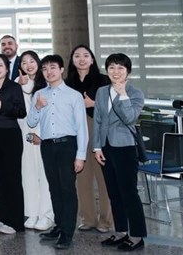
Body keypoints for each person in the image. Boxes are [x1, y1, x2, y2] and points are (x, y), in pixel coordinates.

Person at [27, 54, 88, 250]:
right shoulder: (38, 94)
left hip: (66, 145)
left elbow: (82, 128)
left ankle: (67, 233)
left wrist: (80, 156)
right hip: (47, 146)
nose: (49, 72)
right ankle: (59, 226)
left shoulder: (73, 95)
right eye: (45, 69)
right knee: (54, 188)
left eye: (53, 67)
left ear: (61, 69)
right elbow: (30, 122)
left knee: (67, 190)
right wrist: (37, 107)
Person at [93, 53, 147, 252]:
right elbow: (98, 120)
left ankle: (137, 235)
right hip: (106, 147)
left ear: (128, 72)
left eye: (120, 68)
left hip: (125, 148)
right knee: (113, 193)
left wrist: (122, 94)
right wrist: (97, 147)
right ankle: (121, 231)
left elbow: (129, 118)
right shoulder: (101, 92)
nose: (115, 72)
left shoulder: (135, 93)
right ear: (107, 70)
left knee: (129, 193)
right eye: (112, 67)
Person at [66, 44, 113, 233]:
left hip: (97, 128)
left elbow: (112, 107)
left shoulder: (103, 80)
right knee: (82, 177)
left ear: (92, 60)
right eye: (77, 56)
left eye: (86, 55)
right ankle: (88, 218)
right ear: (72, 60)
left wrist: (92, 104)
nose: (81, 59)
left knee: (103, 178)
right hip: (76, 131)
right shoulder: (68, 83)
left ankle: (106, 221)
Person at [0, 54, 26, 234]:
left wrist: (3, 107)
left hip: (10, 135)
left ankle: (15, 222)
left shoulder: (14, 87)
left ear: (7, 68)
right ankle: (2, 216)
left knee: (12, 178)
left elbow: (21, 112)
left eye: (0, 65)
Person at [15, 50, 53, 231]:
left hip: (41, 133)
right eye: (24, 62)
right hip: (23, 134)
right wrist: (19, 86)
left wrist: (42, 136)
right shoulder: (17, 83)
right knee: (28, 174)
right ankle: (32, 212)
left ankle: (47, 215)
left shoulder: (46, 84)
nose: (28, 65)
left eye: (31, 61)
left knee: (44, 175)